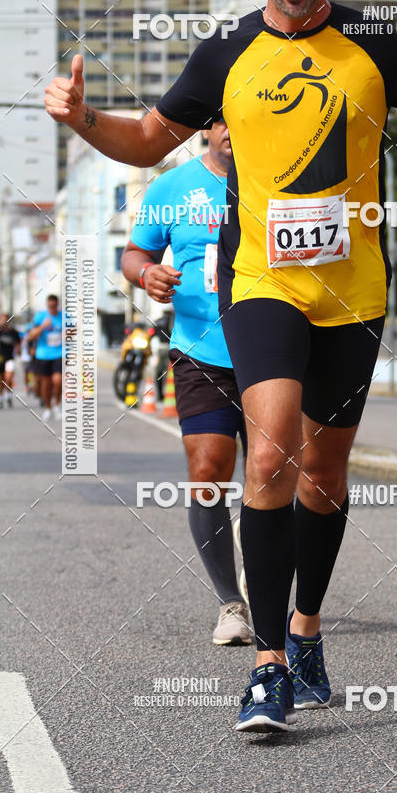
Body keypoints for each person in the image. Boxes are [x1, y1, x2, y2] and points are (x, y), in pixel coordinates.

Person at [44, 0, 397, 733]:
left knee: (324, 474)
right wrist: (82, 119)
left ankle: (307, 632)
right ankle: (268, 667)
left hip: (353, 292)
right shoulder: (227, 52)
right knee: (268, 457)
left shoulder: (377, 44)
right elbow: (146, 137)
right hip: (259, 281)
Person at [121, 120, 251, 647]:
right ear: (208, 128)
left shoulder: (285, 182)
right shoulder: (173, 187)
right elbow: (134, 253)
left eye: (239, 117)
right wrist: (145, 274)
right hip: (200, 352)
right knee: (207, 473)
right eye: (221, 119)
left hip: (275, 353)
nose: (230, 130)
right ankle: (231, 604)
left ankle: (271, 577)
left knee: (277, 476)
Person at [28, 294, 63, 422]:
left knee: (58, 381)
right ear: (47, 306)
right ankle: (48, 407)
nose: (52, 309)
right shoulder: (40, 317)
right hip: (43, 355)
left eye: (54, 306)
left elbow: (73, 332)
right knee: (46, 384)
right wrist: (42, 326)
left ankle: (57, 405)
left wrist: (69, 333)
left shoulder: (64, 317)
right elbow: (31, 336)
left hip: (59, 353)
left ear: (57, 305)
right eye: (50, 307)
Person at [0, 314, 21, 408]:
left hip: (10, 358)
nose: (4, 322)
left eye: (5, 320)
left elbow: (18, 342)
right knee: (1, 380)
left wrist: (19, 350)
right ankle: (0, 399)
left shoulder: (13, 332)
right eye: (2, 320)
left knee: (8, 378)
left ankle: (8, 396)